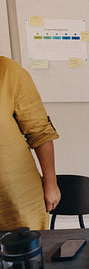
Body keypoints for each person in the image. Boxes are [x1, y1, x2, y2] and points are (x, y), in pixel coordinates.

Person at [0, 56, 60, 231]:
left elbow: (40, 132)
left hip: (17, 198)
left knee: (26, 254)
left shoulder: (8, 71)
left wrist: (51, 182)